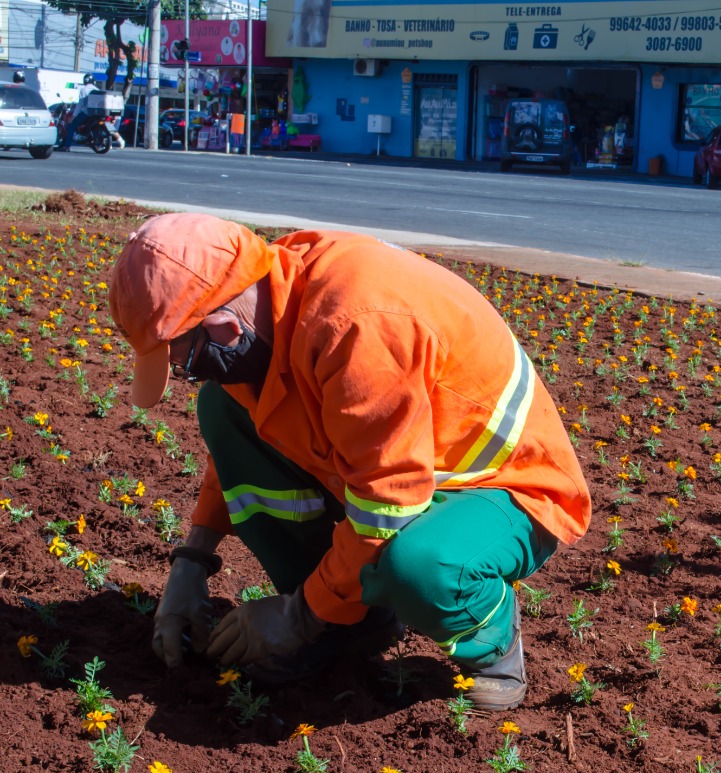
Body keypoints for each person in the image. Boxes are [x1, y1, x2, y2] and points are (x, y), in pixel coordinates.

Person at [108, 214, 591, 710]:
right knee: (223, 405)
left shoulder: (355, 325)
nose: (188, 375)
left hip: (500, 485)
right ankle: (348, 622)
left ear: (224, 326)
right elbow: (248, 445)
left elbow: (385, 503)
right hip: (394, 468)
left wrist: (297, 618)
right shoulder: (268, 299)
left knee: (420, 566)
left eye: (183, 363)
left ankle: (491, 644)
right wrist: (192, 560)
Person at [58, 73, 98, 151]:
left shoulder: (84, 90)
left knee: (72, 126)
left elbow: (80, 104)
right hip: (96, 113)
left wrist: (74, 116)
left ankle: (66, 146)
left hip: (86, 112)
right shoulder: (97, 89)